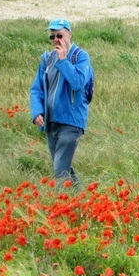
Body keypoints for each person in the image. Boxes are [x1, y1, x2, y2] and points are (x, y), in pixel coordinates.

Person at [30, 18, 92, 185]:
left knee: (60, 169)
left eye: (59, 35)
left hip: (72, 121)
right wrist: (37, 111)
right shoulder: (47, 58)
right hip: (51, 121)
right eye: (52, 36)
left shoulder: (80, 56)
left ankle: (60, 204)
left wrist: (64, 60)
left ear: (69, 34)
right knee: (63, 166)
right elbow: (37, 89)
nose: (56, 40)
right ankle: (81, 201)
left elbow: (78, 83)